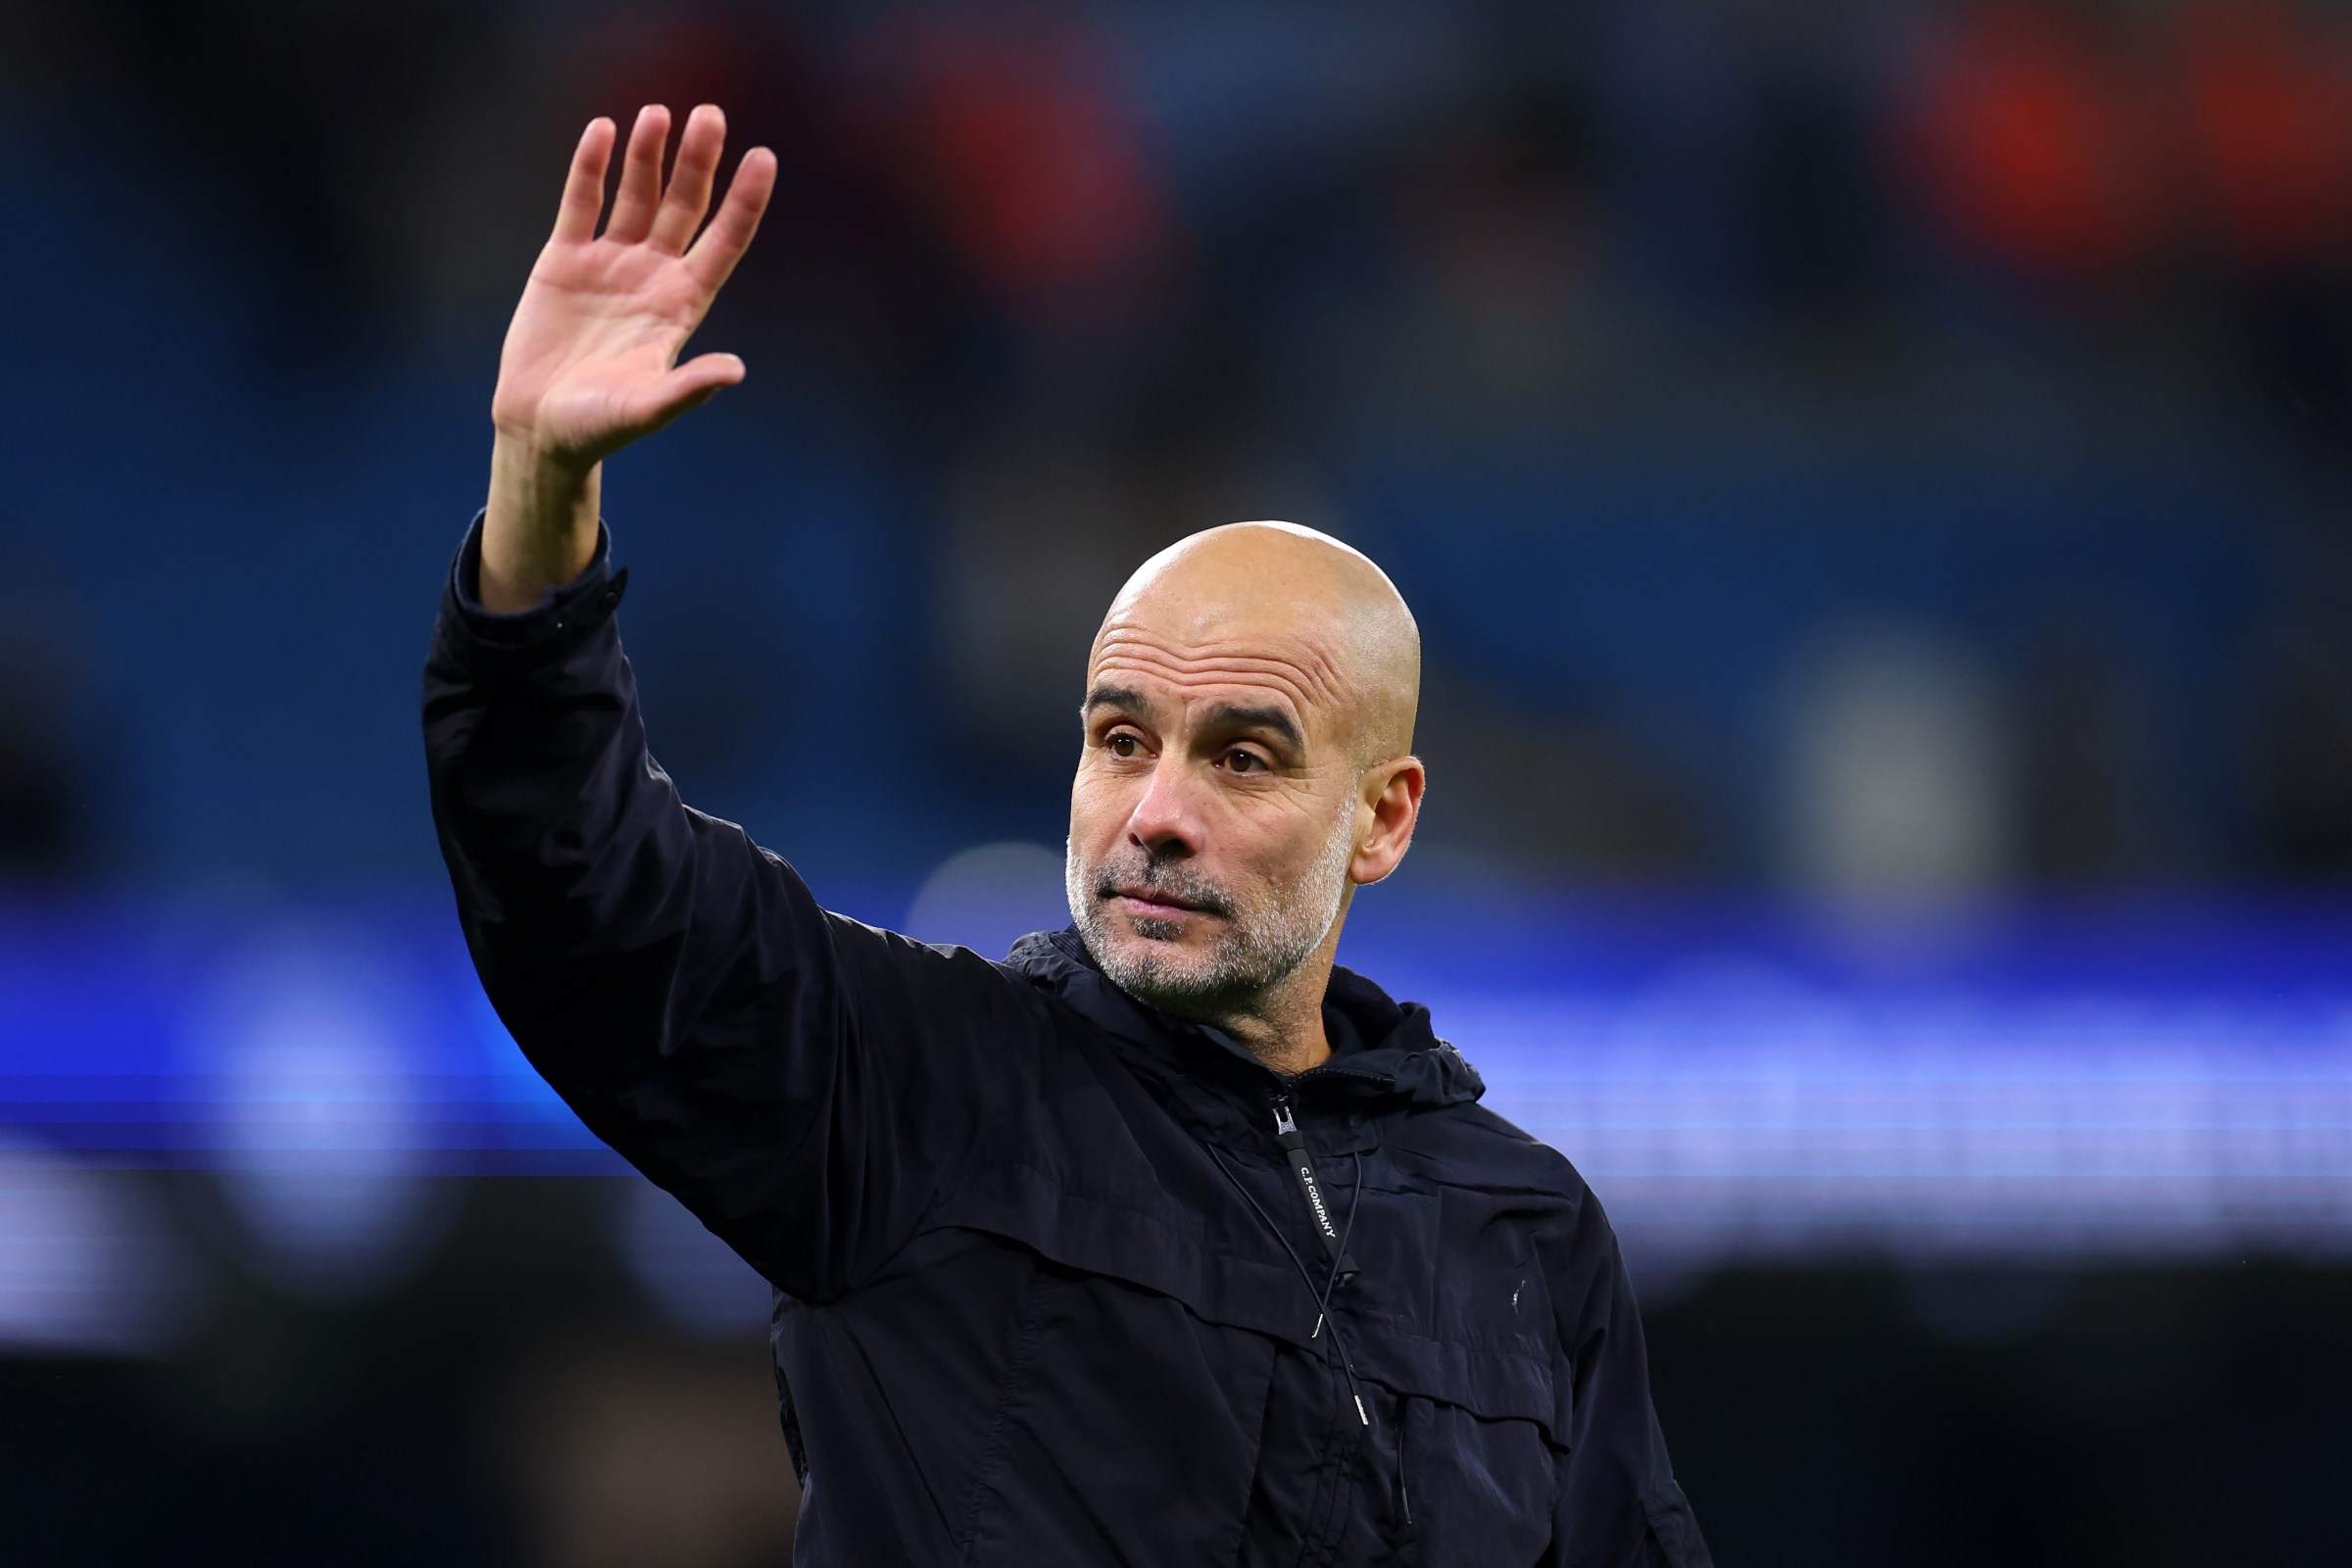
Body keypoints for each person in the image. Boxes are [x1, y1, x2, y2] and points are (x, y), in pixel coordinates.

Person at [424, 102, 1711, 1567]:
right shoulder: (915, 1091)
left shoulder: (1528, 1237)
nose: (1158, 813)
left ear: (1384, 819)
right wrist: (540, 501)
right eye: (1120, 742)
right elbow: (584, 893)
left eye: (1243, 757)